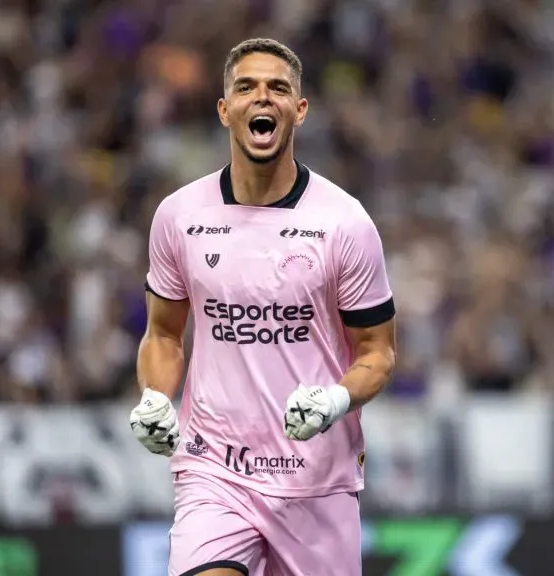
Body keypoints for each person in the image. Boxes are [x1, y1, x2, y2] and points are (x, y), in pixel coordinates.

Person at [129, 38, 396, 576]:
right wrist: (156, 398)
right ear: (225, 109)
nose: (262, 98)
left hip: (314, 480)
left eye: (278, 88)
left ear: (299, 110)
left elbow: (379, 352)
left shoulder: (344, 223)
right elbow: (162, 334)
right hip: (214, 473)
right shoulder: (178, 216)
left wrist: (334, 400)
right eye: (246, 87)